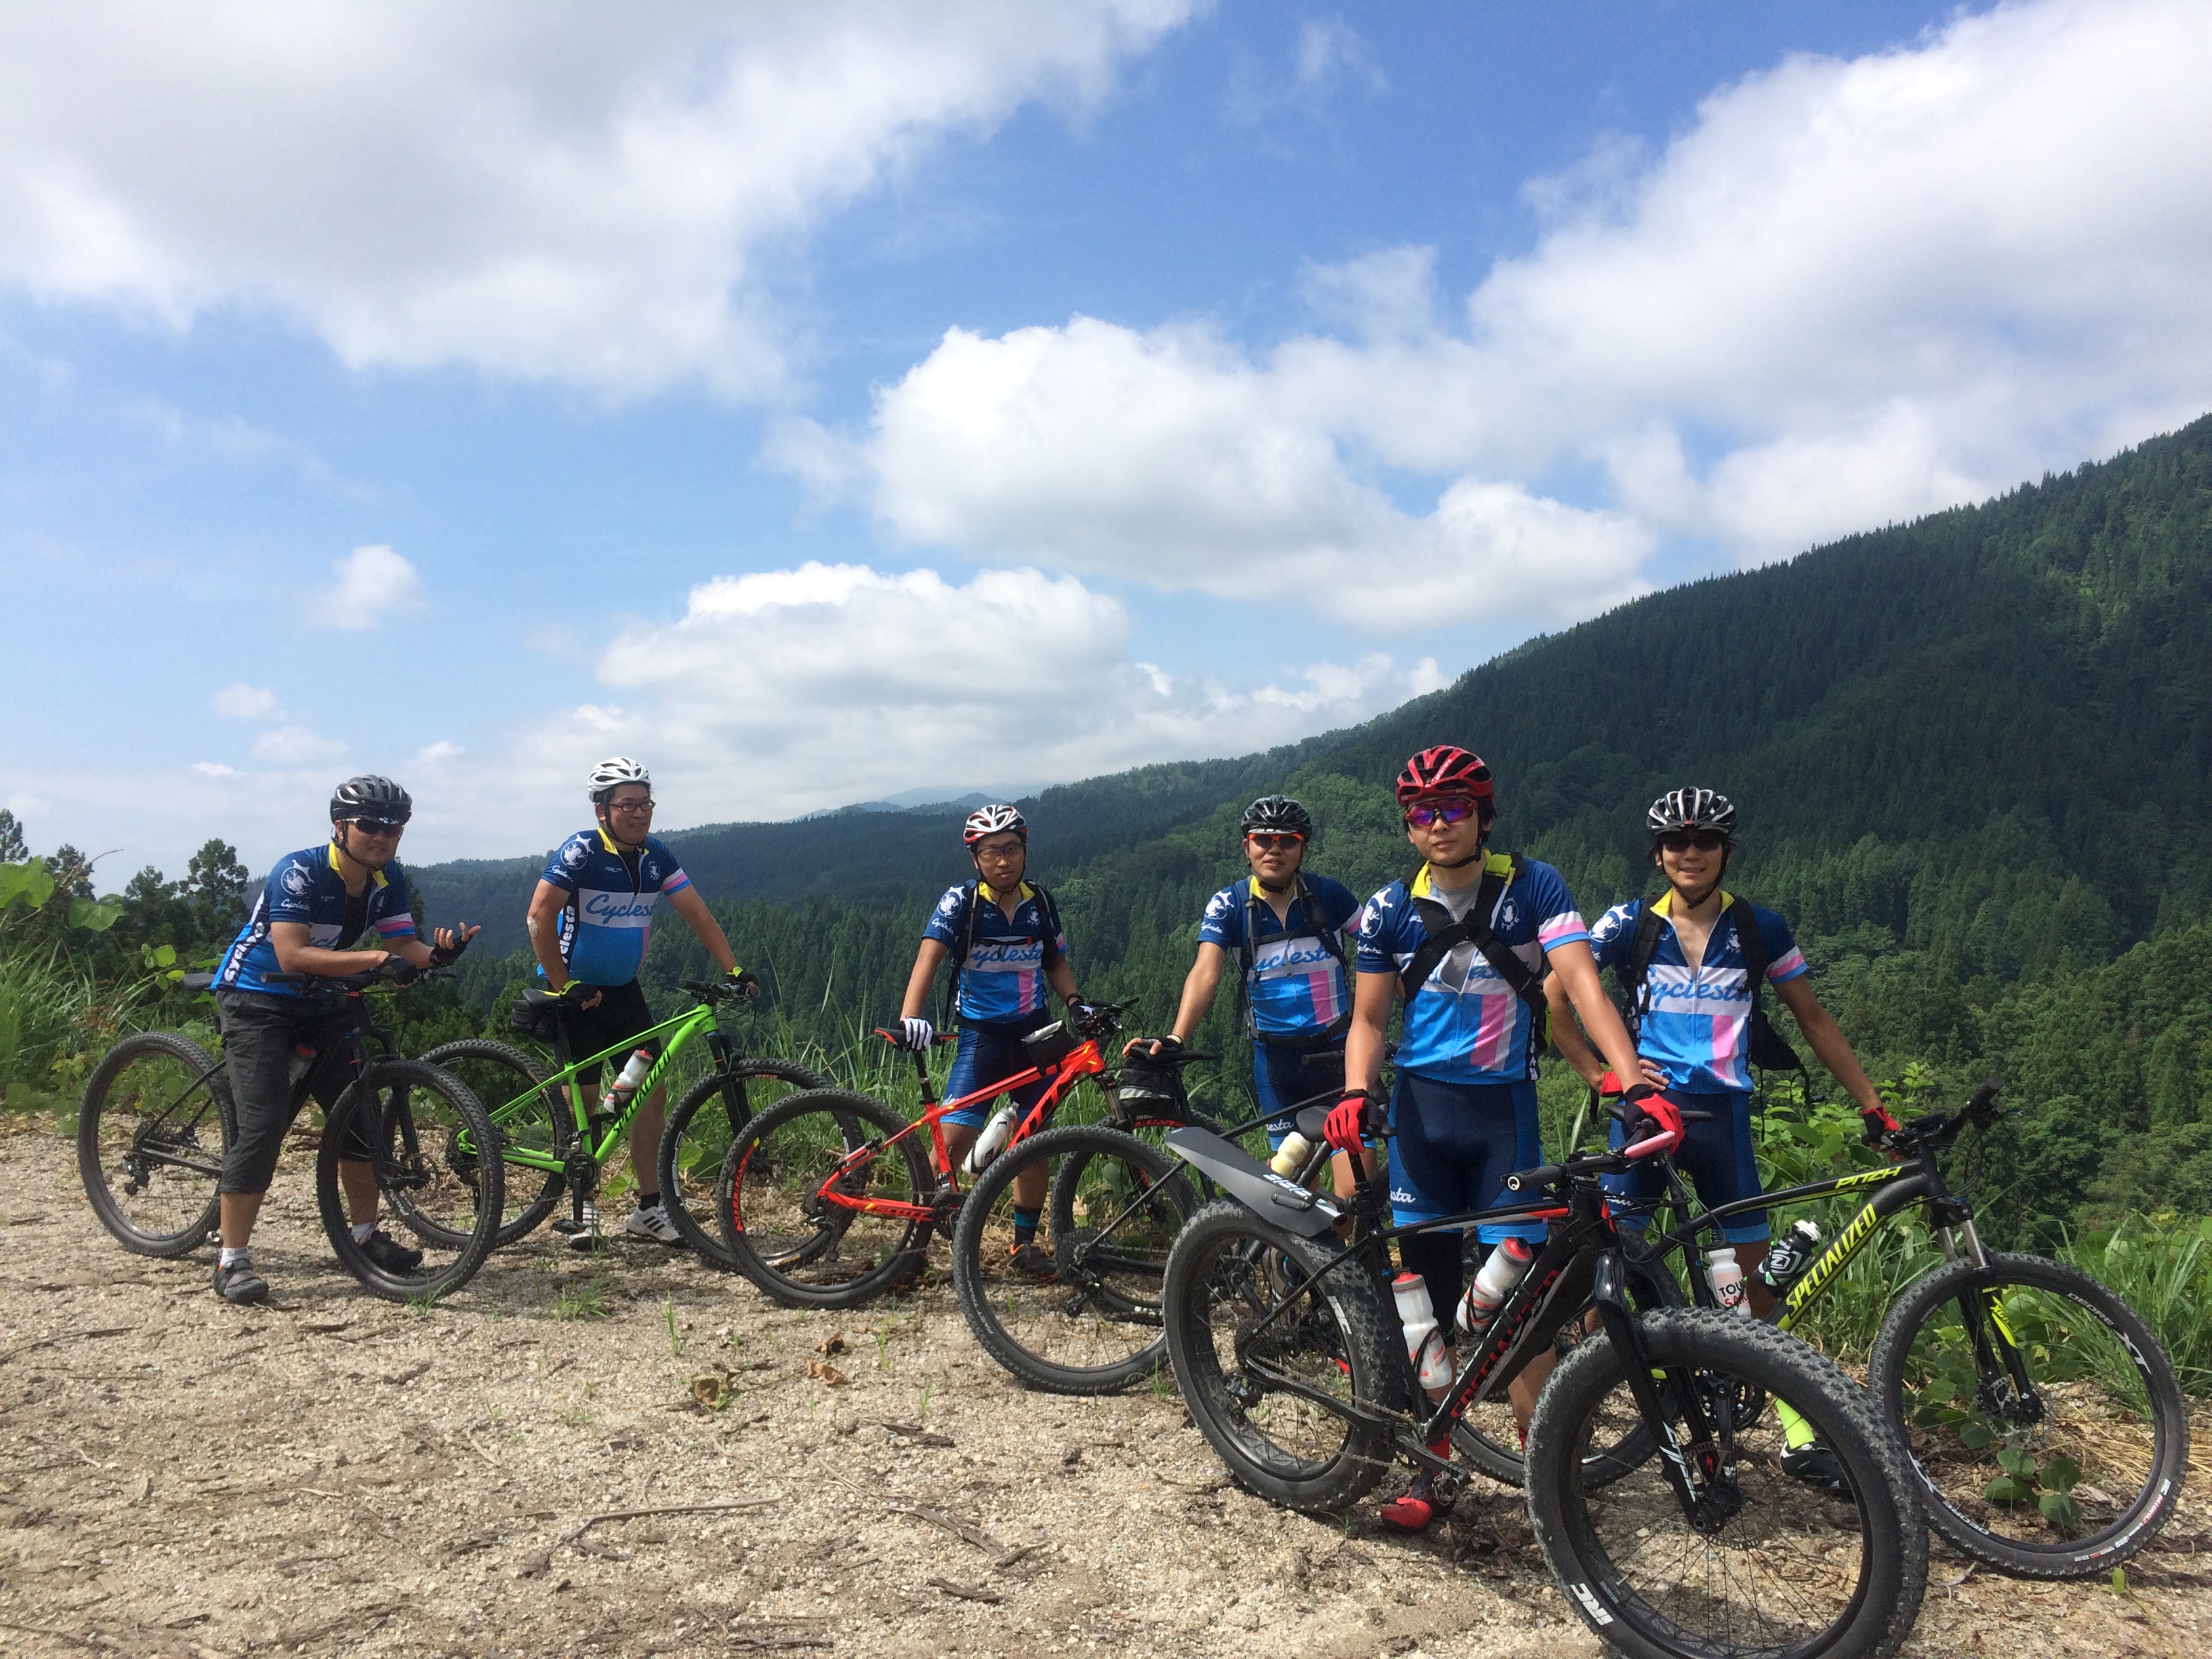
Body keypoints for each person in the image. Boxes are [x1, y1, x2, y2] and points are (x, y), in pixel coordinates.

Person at [1332, 745, 1664, 1531]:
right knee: (1423, 1302)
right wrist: (1355, 1092)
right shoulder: (1387, 909)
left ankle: (1546, 1470)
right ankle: (1432, 1466)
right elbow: (1370, 1019)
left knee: (1521, 1307)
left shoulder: (1533, 887)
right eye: (1422, 812)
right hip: (1421, 1118)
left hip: (1501, 1118)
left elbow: (1581, 984)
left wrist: (1628, 1078)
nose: (1438, 823)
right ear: (1408, 827)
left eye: (1455, 808)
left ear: (1483, 817)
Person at [1549, 786, 1898, 1491]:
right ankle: (1571, 1420)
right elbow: (1557, 995)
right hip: (1646, 1117)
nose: (1691, 853)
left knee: (1756, 1287)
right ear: (1657, 855)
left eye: (1705, 840)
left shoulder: (1760, 928)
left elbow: (1813, 1018)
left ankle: (1798, 1437)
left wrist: (1872, 1105)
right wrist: (1598, 1073)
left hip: (1722, 1118)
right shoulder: (1628, 925)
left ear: (1725, 851)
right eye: (1676, 843)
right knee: (1605, 1272)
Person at [209, 776, 478, 1305]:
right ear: (340, 826)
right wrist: (376, 959)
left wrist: (437, 955)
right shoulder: (300, 871)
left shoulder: (386, 878)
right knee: (263, 1125)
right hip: (258, 998)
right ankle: (231, 1260)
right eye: (370, 825)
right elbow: (292, 955)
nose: (382, 836)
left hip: (322, 998)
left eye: (393, 828)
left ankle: (364, 1236)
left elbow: (401, 943)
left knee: (360, 1117)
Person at [526, 757, 753, 1249]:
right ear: (602, 810)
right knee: (585, 1100)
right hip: (575, 993)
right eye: (627, 805)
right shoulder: (582, 851)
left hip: (624, 992)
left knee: (648, 1092)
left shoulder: (656, 855)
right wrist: (564, 985)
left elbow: (696, 912)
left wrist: (733, 969)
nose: (639, 813)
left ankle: (649, 1208)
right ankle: (582, 1208)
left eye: (645, 803)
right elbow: (539, 917)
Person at [895, 804, 1092, 1278]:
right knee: (950, 1144)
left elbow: (1054, 961)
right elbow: (928, 959)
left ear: (1024, 850)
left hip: (1035, 1036)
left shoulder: (1039, 903)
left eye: (1011, 849)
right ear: (975, 858)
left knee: (1035, 1143)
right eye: (991, 852)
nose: (1003, 860)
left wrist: (1074, 1002)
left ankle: (1023, 1247)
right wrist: (910, 1016)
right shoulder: (961, 902)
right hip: (981, 1037)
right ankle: (912, 1249)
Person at [1130, 795, 1358, 1146]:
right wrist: (1177, 1037)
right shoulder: (1230, 905)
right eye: (1263, 839)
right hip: (1276, 1064)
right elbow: (1206, 972)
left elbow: (1384, 953)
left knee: (1355, 1167)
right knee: (1287, 1175)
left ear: (1304, 848)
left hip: (1340, 1054)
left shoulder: (1330, 895)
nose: (1274, 849)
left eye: (1288, 841)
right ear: (1246, 847)